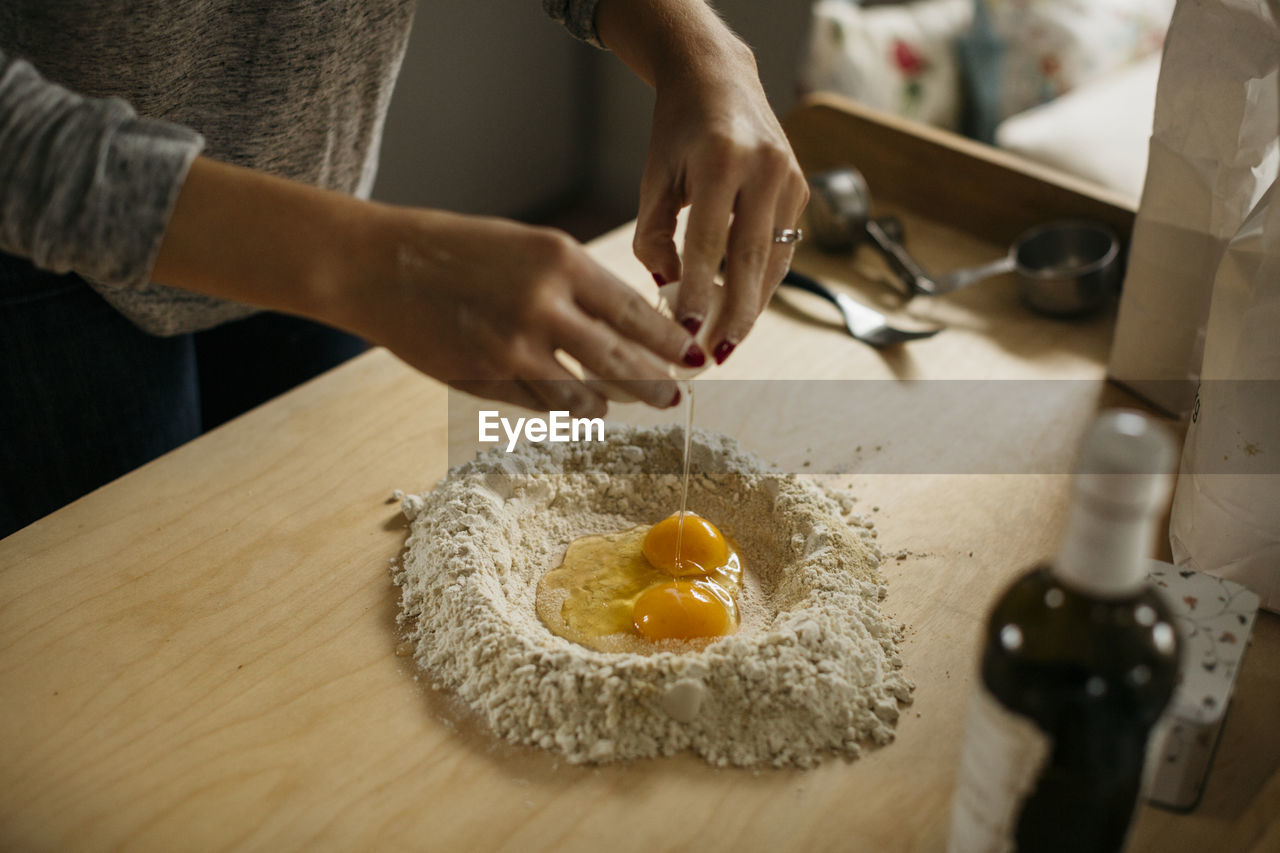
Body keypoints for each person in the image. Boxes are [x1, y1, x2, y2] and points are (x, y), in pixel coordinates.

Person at [0, 0, 808, 537]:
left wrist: (698, 46)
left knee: (317, 572)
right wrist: (373, 264)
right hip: (43, 255)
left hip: (321, 191)